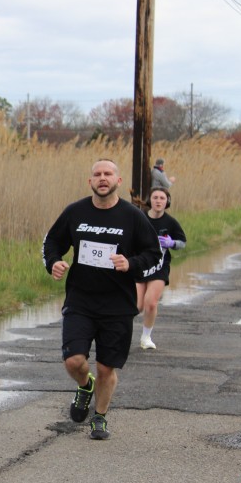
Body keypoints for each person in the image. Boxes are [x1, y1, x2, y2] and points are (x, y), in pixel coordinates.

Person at [42, 159, 162, 440]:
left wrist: (130, 264)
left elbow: (154, 254)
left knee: (107, 367)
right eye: (97, 174)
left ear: (118, 181)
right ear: (90, 182)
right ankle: (85, 386)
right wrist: (54, 262)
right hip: (80, 300)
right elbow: (52, 242)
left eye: (108, 174)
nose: (102, 178)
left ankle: (100, 417)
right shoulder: (75, 212)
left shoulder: (132, 216)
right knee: (74, 361)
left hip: (118, 304)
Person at [135, 187, 187, 350]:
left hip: (160, 266)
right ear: (150, 200)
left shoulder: (170, 222)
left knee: (151, 302)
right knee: (137, 306)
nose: (158, 201)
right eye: (155, 197)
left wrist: (172, 243)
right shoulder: (139, 217)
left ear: (167, 201)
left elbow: (182, 243)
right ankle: (119, 334)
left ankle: (146, 337)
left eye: (162, 198)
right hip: (140, 265)